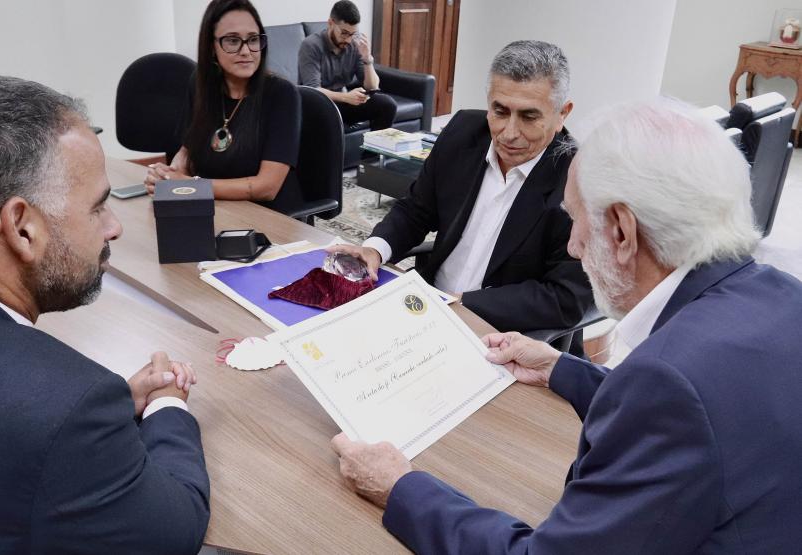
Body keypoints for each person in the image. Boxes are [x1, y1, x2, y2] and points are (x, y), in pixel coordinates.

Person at [330, 99, 802, 553]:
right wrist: (564, 369)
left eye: (574, 218)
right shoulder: (784, 294)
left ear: (621, 231)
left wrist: (400, 488)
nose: (573, 246)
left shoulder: (667, 382)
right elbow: (703, 418)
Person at [0, 75, 210, 553]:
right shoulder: (66, 409)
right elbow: (174, 529)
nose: (114, 227)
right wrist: (167, 405)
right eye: (97, 208)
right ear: (22, 229)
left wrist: (116, 402)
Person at [331, 40, 591, 342]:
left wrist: (463, 304)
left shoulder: (581, 182)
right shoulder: (463, 132)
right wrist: (374, 249)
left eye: (529, 117)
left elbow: (565, 297)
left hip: (501, 335)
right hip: (424, 310)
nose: (509, 133)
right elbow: (417, 210)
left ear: (562, 114)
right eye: (500, 111)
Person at [145, 0, 303, 213]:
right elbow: (187, 150)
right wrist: (167, 176)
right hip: (213, 208)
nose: (246, 51)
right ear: (211, 47)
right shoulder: (200, 85)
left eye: (253, 40)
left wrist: (189, 185)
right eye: (232, 41)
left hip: (269, 218)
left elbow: (267, 187)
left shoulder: (282, 94)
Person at [298, 0, 398, 131]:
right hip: (317, 106)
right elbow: (312, 90)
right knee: (328, 116)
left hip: (344, 103)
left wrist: (367, 59)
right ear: (330, 23)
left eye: (352, 34)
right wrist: (346, 97)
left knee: (387, 104)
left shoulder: (354, 44)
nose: (349, 39)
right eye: (344, 33)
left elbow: (373, 87)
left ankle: (373, 151)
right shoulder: (311, 45)